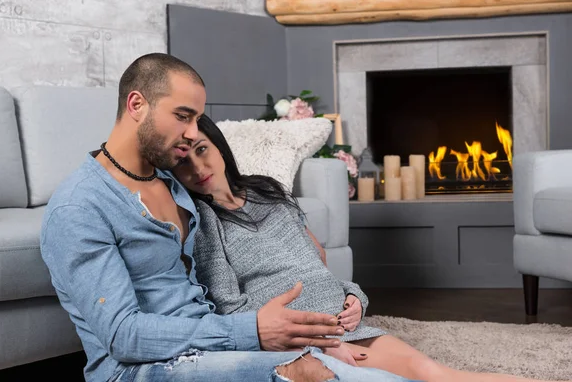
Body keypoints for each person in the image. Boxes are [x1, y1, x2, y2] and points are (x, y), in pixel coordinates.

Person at [40, 52, 419, 382]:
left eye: (197, 120)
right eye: (183, 117)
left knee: (361, 372)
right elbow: (122, 335)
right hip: (140, 368)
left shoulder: (172, 183)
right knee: (307, 371)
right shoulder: (80, 207)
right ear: (137, 104)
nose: (192, 134)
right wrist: (251, 331)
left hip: (210, 345)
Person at [171, 114, 572, 382]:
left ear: (219, 147)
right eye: (183, 164)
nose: (198, 168)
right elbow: (232, 311)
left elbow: (316, 267)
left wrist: (354, 296)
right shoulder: (205, 226)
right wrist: (321, 346)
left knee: (435, 373)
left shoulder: (268, 192)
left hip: (346, 324)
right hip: (301, 342)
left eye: (202, 150)